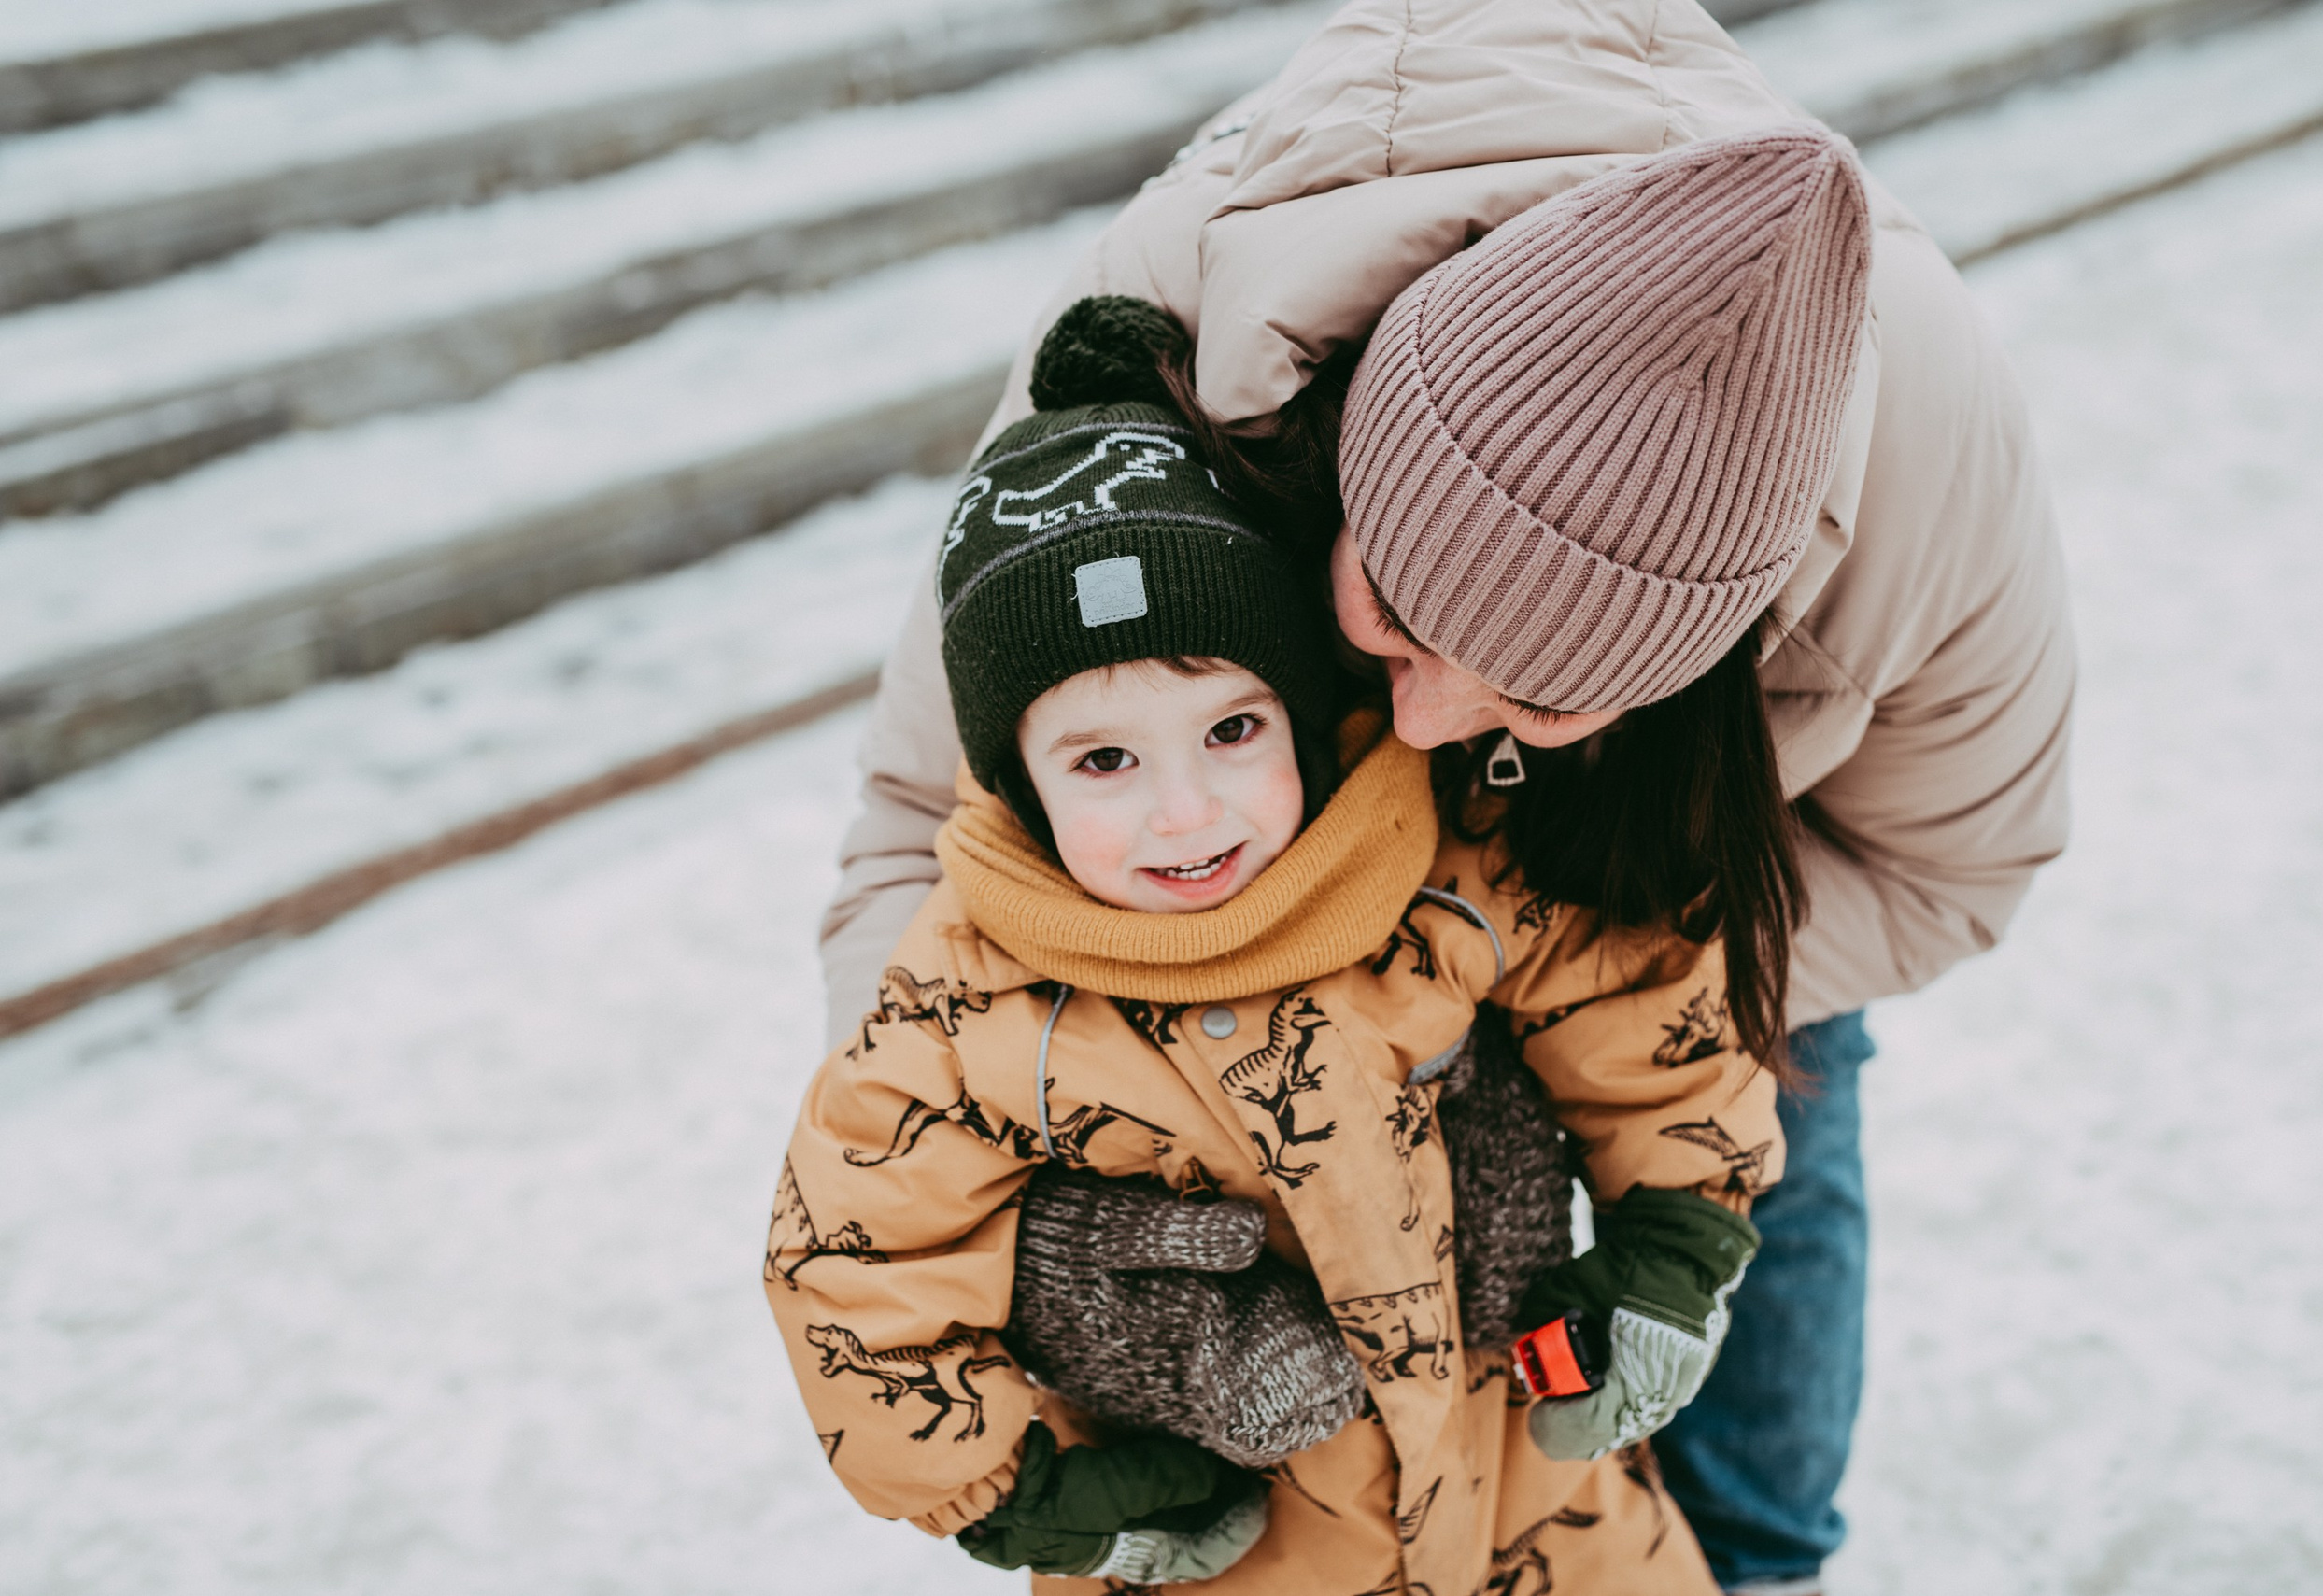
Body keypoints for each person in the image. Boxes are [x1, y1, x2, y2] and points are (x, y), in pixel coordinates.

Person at [819, 5, 2075, 1590]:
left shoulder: (1932, 465)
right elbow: (913, 841)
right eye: (1392, 617)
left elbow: (1946, 867)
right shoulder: (1154, 364)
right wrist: (1053, 1189)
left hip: (1671, 894)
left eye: (1535, 690)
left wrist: (1573, 1025)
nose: (1422, 713)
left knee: (1758, 1175)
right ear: (1340, 466)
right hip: (1217, 969)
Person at [767, 297, 1792, 1593]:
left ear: (1303, 711)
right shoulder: (970, 1006)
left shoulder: (1433, 860)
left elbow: (1636, 994)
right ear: (1020, 783)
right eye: (1103, 760)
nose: (1184, 809)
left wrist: (1676, 1237)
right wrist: (1027, 1496)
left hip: (1541, 1517)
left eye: (1233, 730)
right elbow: (850, 1257)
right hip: (1244, 1562)